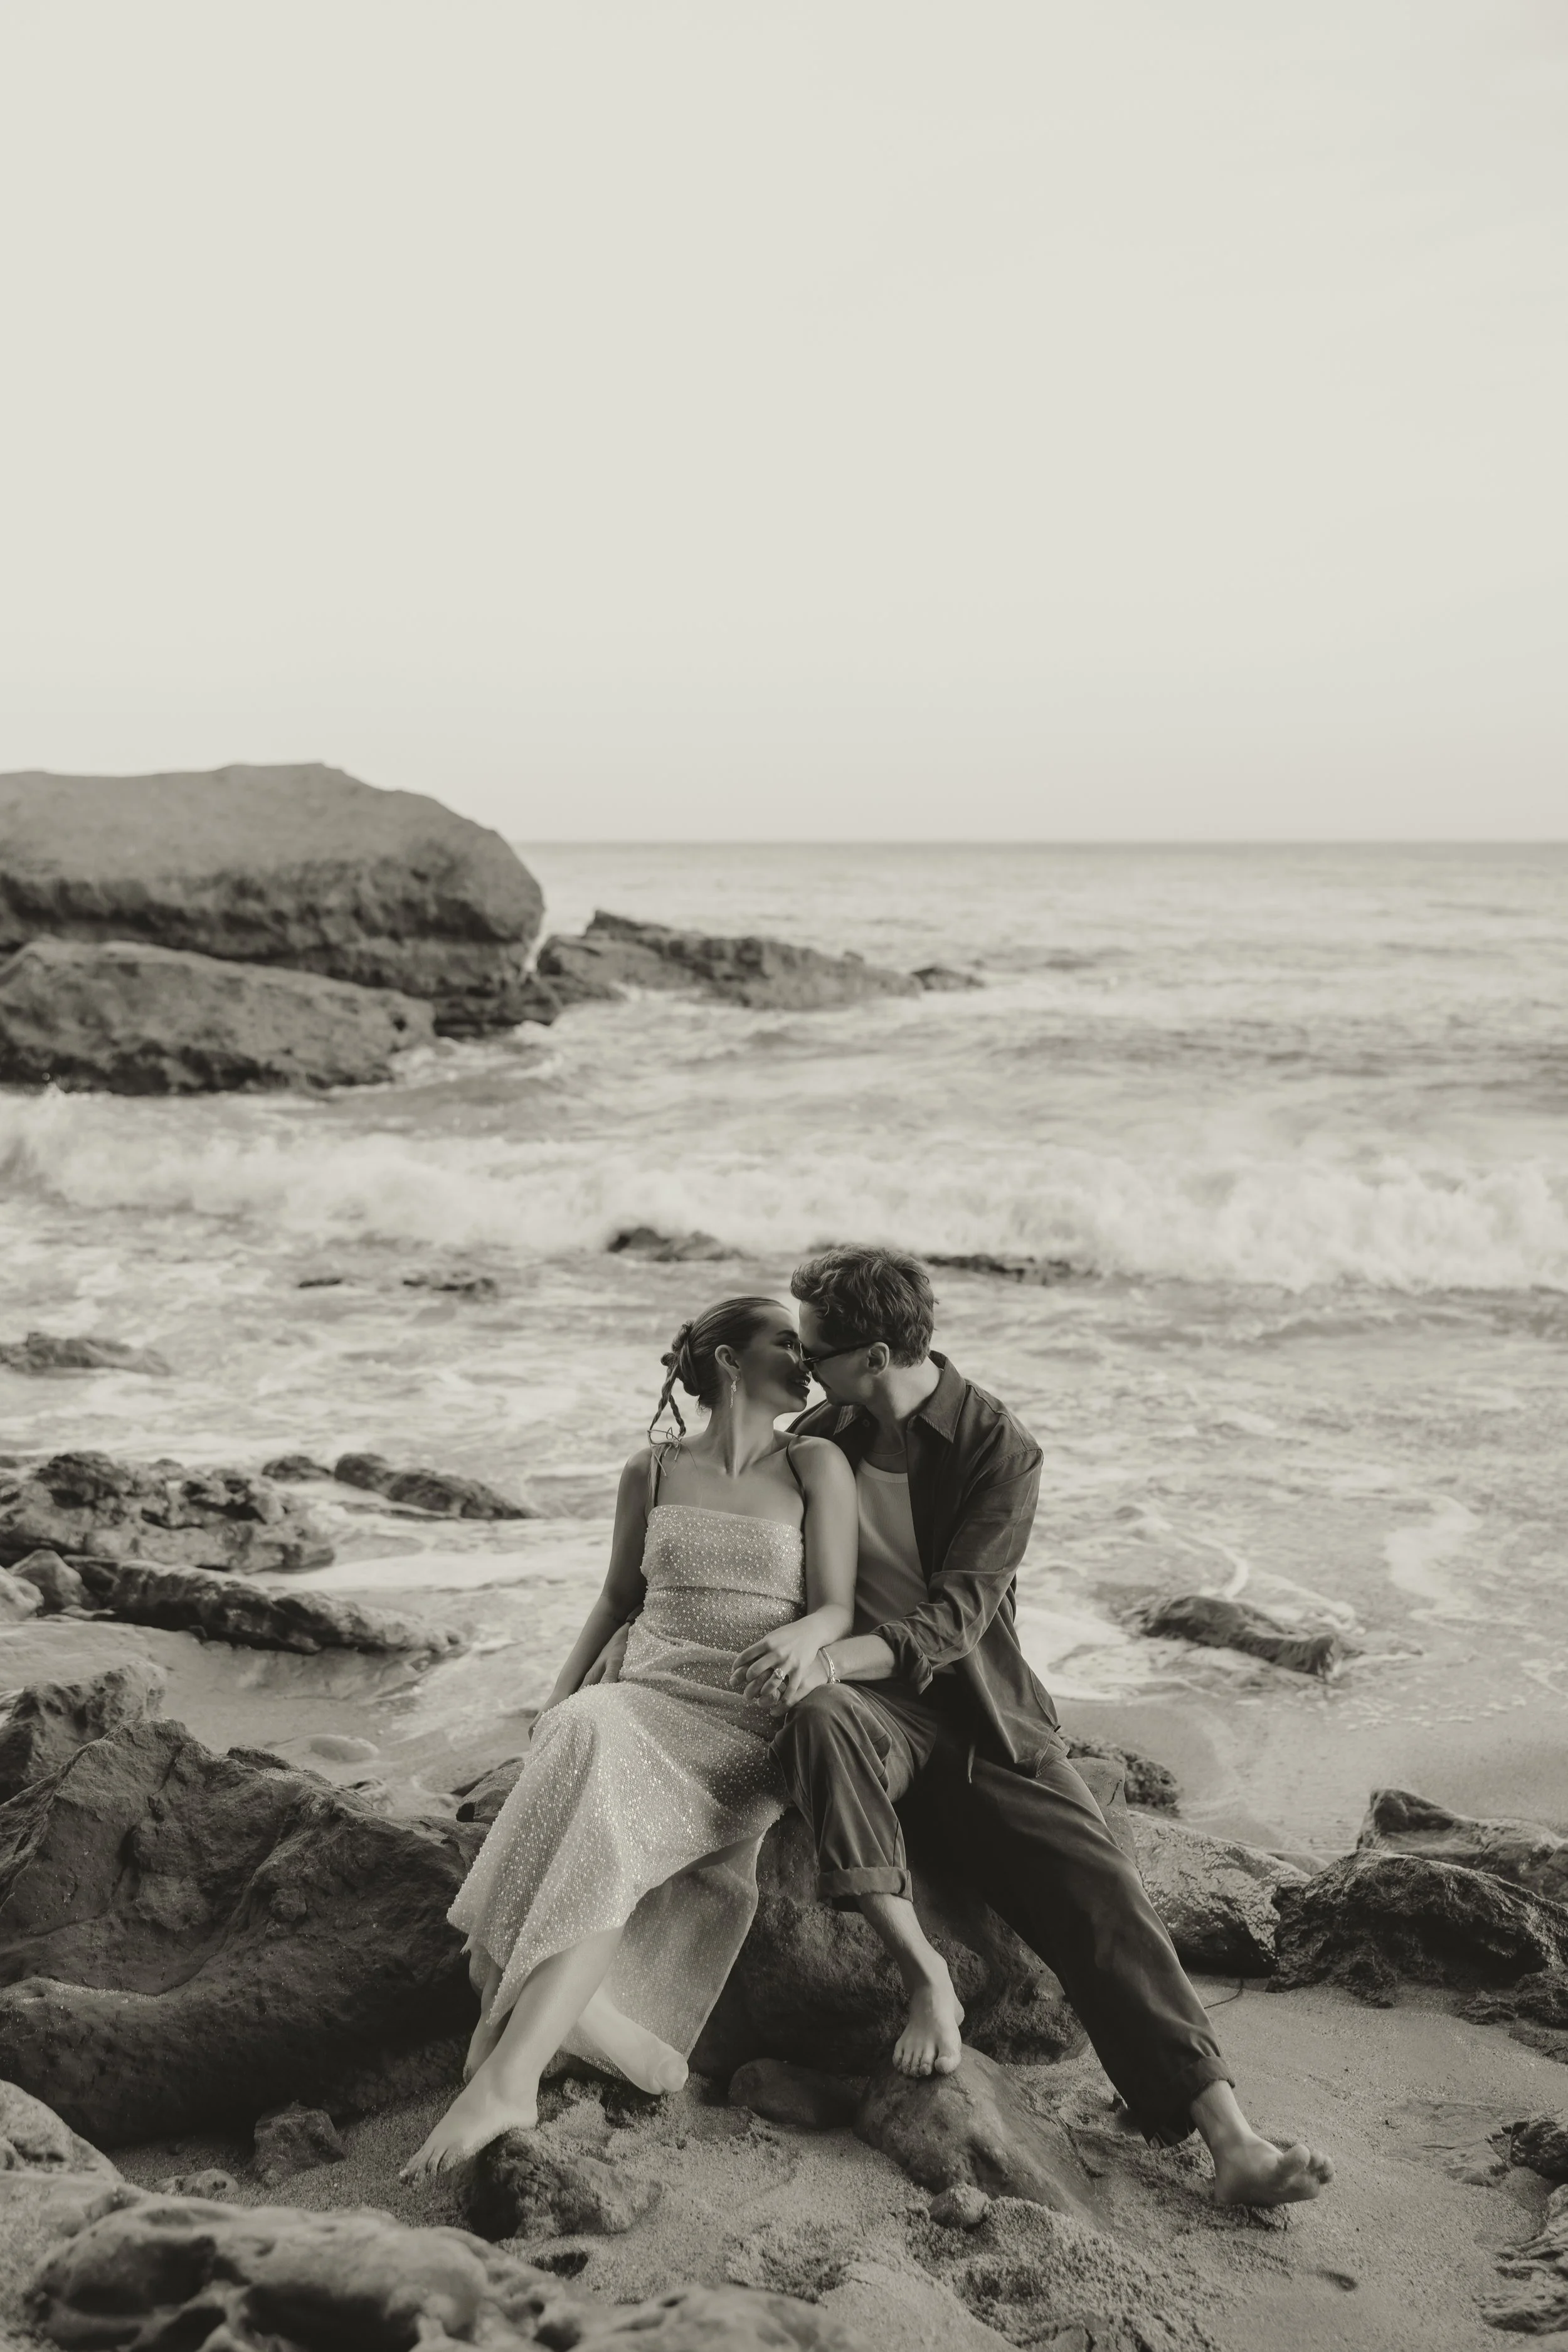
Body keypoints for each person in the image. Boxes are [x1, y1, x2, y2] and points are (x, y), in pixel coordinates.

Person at [733, 1244, 1333, 2209]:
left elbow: (955, 1621)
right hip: (868, 1712)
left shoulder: (996, 1446)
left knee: (1100, 1891)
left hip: (978, 1718)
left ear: (877, 1351)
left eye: (817, 1350)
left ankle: (1234, 2140)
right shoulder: (823, 1434)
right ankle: (924, 1976)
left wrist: (831, 1655)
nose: (803, 1366)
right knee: (817, 1721)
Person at [401, 1295, 856, 2179]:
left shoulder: (816, 1464)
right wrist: (557, 1694)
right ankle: (570, 2032)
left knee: (595, 1769)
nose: (806, 1360)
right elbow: (617, 1601)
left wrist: (810, 1636)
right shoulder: (649, 1471)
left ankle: (511, 2066)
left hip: (744, 1716)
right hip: (648, 1691)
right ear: (729, 1362)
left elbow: (837, 1604)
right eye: (785, 1344)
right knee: (578, 1728)